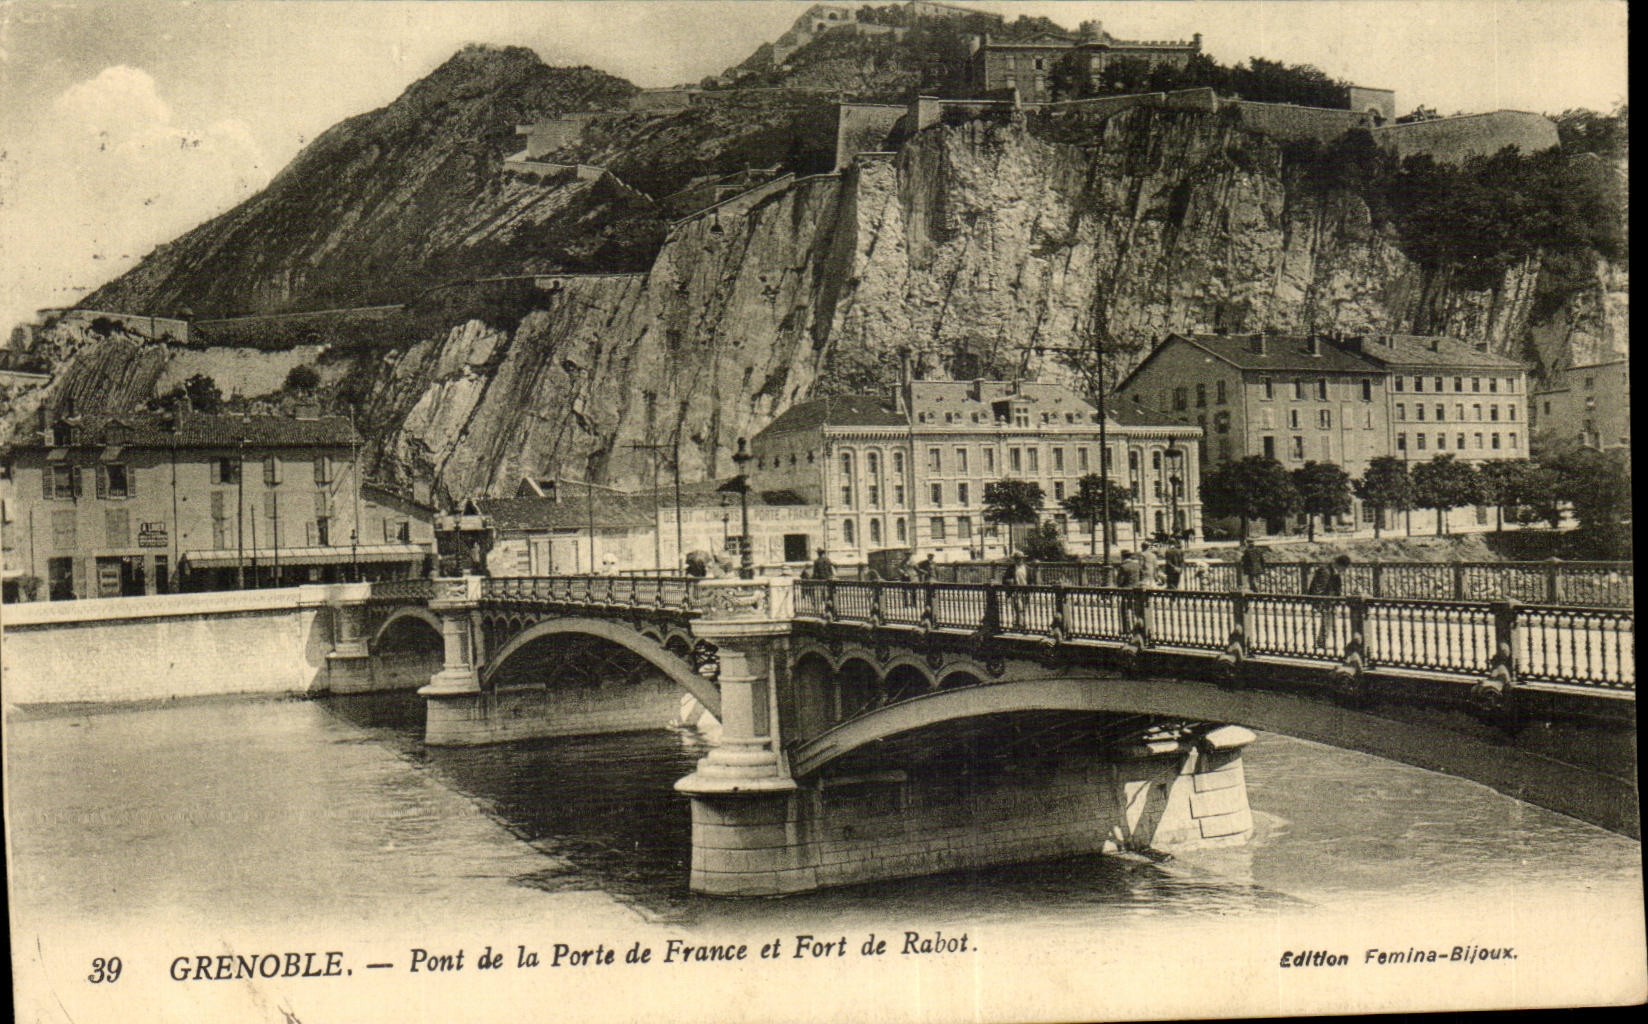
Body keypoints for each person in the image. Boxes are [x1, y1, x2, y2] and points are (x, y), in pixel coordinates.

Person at [1308, 554, 1351, 648]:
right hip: (1324, 601)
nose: (1344, 571)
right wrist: (1318, 603)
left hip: (1330, 600)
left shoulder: (1333, 571)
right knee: (1328, 620)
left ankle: (1321, 641)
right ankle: (1321, 642)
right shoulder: (1326, 571)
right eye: (1344, 568)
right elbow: (1318, 588)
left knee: (1330, 619)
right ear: (1339, 565)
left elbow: (1336, 587)